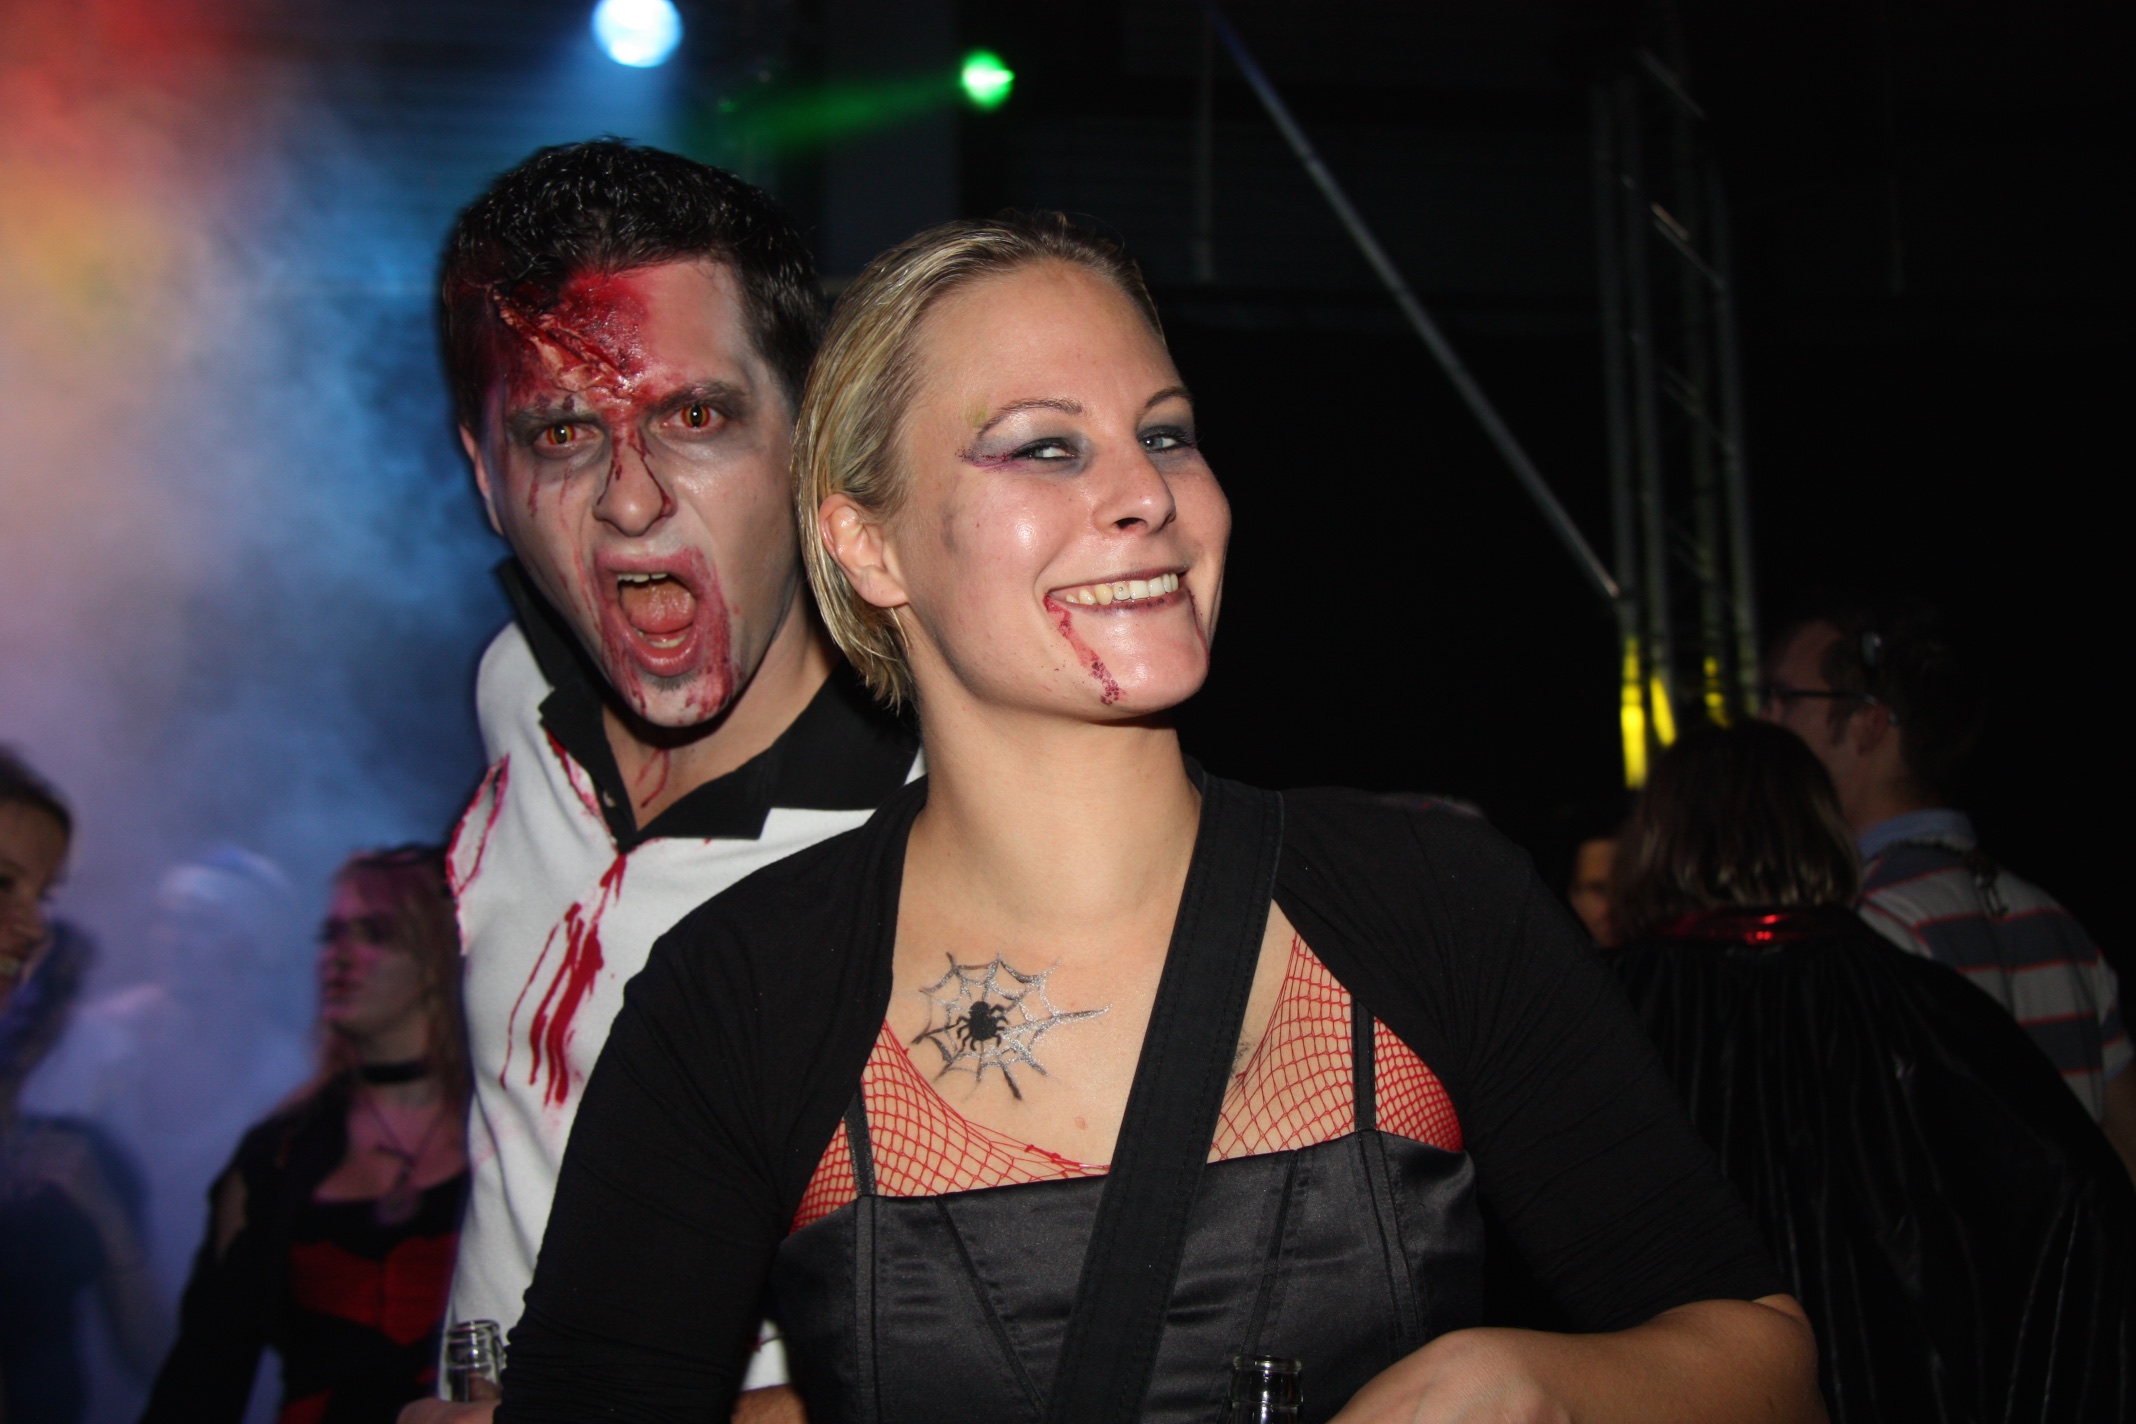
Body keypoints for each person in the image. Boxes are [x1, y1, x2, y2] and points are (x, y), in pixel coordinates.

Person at [497, 214, 1823, 1423]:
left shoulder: (1432, 898)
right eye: (1046, 446)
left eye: (1169, 434)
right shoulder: (746, 991)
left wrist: (1539, 1387)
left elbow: (1766, 1360)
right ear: (869, 545)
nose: (1149, 493)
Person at [417, 140, 920, 1423]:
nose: (631, 500)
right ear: (485, 477)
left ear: (810, 440)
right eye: (561, 431)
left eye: (695, 417)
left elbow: (1017, 1349)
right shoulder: (515, 690)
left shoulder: (931, 826)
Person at [1605, 721, 2135, 1420]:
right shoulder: (1922, 1003)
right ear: (1821, 829)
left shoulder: (1602, 1010)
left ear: (1656, 838)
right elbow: (2075, 1200)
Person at [1761, 601, 2136, 1174]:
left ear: (1868, 723)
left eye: (1784, 698)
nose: (1764, 721)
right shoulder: (2056, 924)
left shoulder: (1866, 932)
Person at [143, 847, 470, 1423]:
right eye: (332, 934)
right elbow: (205, 1372)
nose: (339, 956)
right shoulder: (280, 1152)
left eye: (376, 934)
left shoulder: (500, 1133)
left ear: (440, 954)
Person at [1, 750, 167, 1424]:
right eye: (2, 883)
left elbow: (161, 1365)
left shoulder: (83, 1157)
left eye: (43, 896)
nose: (34, 925)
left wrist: (106, 1220)